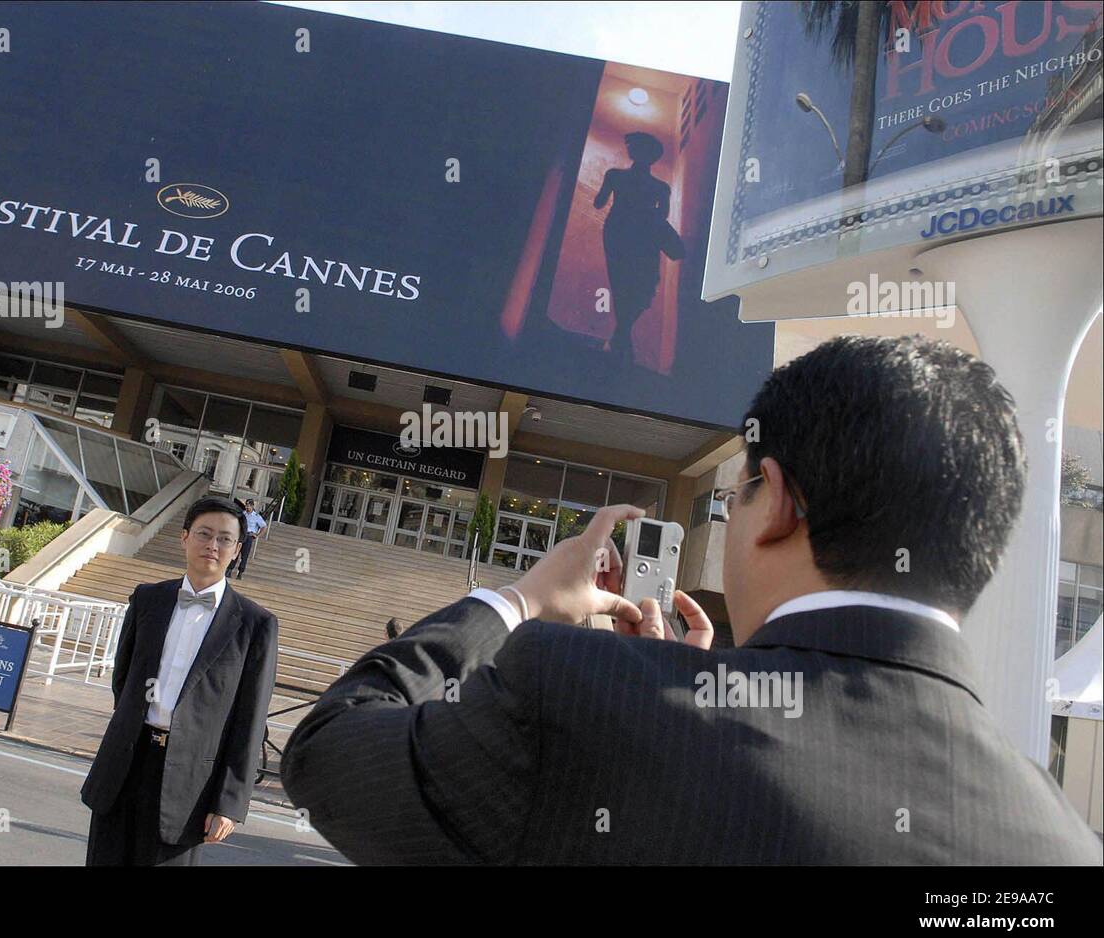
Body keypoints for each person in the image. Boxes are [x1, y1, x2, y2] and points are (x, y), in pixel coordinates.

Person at [282, 335, 1101, 865]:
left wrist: (519, 601)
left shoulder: (575, 695)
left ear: (774, 500)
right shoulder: (1059, 840)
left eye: (736, 495)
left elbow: (326, 753)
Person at [81, 497, 279, 866]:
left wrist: (229, 803)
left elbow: (250, 722)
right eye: (204, 534)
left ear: (237, 550)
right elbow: (122, 680)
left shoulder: (255, 625)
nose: (212, 545)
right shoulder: (147, 599)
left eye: (224, 539)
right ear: (184, 538)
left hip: (189, 784)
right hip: (124, 765)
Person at [593, 131, 683, 364]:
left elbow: (599, 202)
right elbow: (661, 215)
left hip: (627, 233)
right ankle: (621, 339)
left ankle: (620, 338)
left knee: (634, 284)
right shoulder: (657, 186)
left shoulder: (620, 177)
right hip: (629, 235)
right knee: (630, 284)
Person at [233, 499, 267, 580]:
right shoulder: (243, 514)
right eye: (246, 505)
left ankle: (240, 572)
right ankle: (229, 569)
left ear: (252, 506)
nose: (247, 507)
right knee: (236, 552)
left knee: (244, 555)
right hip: (241, 534)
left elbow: (264, 526)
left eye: (248, 505)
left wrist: (257, 535)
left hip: (249, 536)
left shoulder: (256, 516)